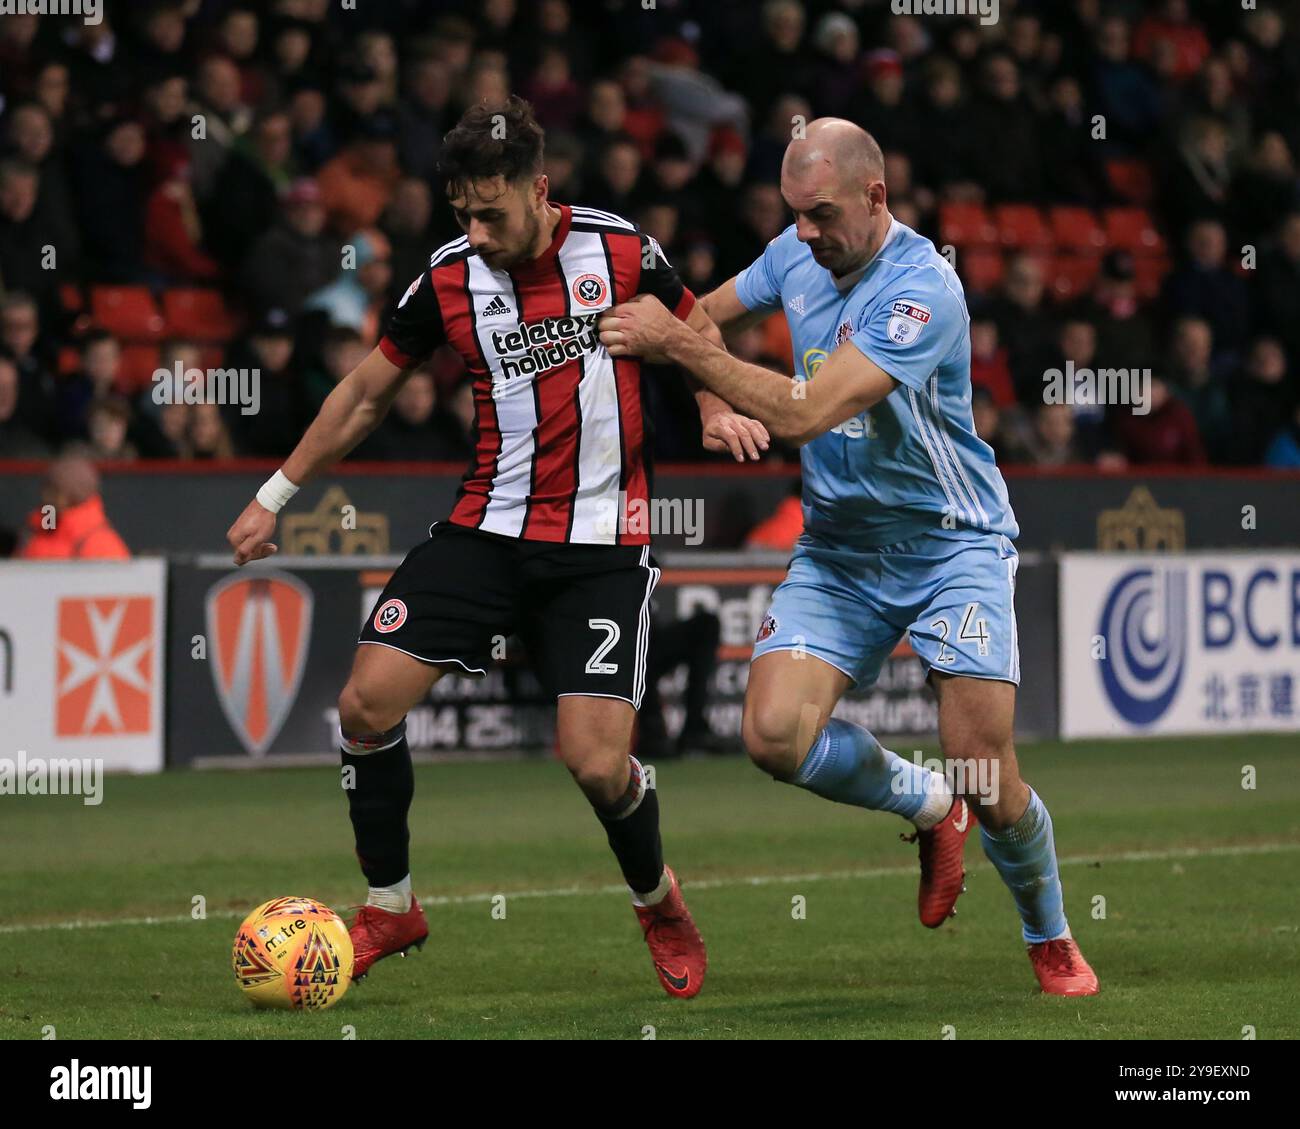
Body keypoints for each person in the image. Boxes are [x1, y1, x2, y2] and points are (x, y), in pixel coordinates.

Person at [226, 96, 767, 1000]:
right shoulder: (446, 278)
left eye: (491, 212)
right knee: (365, 703)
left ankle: (658, 898)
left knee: (596, 762)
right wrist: (274, 494)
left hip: (600, 541)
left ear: (539, 190)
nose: (475, 232)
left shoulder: (619, 246)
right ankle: (391, 905)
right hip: (485, 529)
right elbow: (364, 394)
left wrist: (713, 405)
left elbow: (694, 328)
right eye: (461, 213)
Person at [598, 117, 1099, 996]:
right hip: (839, 550)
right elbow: (697, 318)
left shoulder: (924, 290)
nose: (803, 232)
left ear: (876, 196)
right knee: (772, 735)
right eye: (792, 214)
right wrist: (709, 401)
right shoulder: (796, 254)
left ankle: (1048, 932)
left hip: (949, 544)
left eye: (819, 213)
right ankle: (926, 807)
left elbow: (802, 409)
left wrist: (681, 350)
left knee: (982, 764)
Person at [17, 450, 130, 560]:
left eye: (55, 491)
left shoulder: (102, 545)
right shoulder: (34, 531)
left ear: (75, 497)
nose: (46, 496)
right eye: (45, 488)